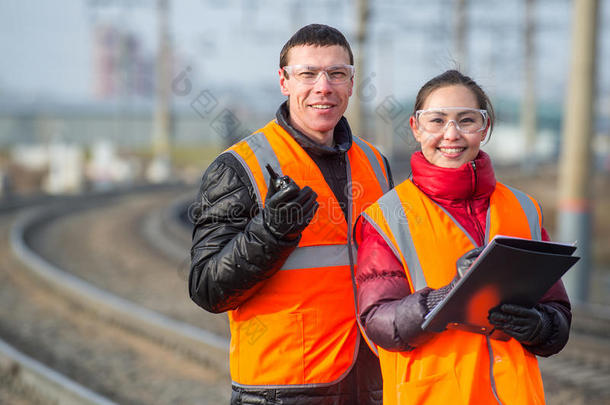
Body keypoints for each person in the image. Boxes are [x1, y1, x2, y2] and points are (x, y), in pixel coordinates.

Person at [189, 24, 392, 405]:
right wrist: (270, 233)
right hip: (281, 388)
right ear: (283, 81)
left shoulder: (377, 164)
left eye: (337, 73)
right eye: (307, 74)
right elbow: (207, 288)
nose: (323, 86)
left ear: (352, 83)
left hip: (370, 382)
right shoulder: (239, 167)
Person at [355, 70, 571, 405]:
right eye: (437, 120)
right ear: (415, 127)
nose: (451, 134)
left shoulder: (523, 208)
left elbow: (557, 313)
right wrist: (444, 298)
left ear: (484, 128)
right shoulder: (386, 217)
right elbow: (378, 324)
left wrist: (540, 327)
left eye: (466, 120)